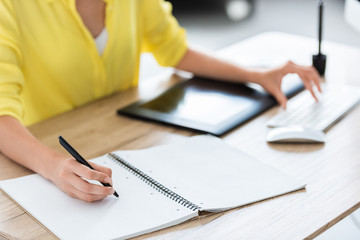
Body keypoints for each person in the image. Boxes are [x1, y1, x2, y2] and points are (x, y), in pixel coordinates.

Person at [0, 0, 321, 202]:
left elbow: (175, 50)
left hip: (126, 144)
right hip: (42, 155)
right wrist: (54, 167)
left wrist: (256, 74)